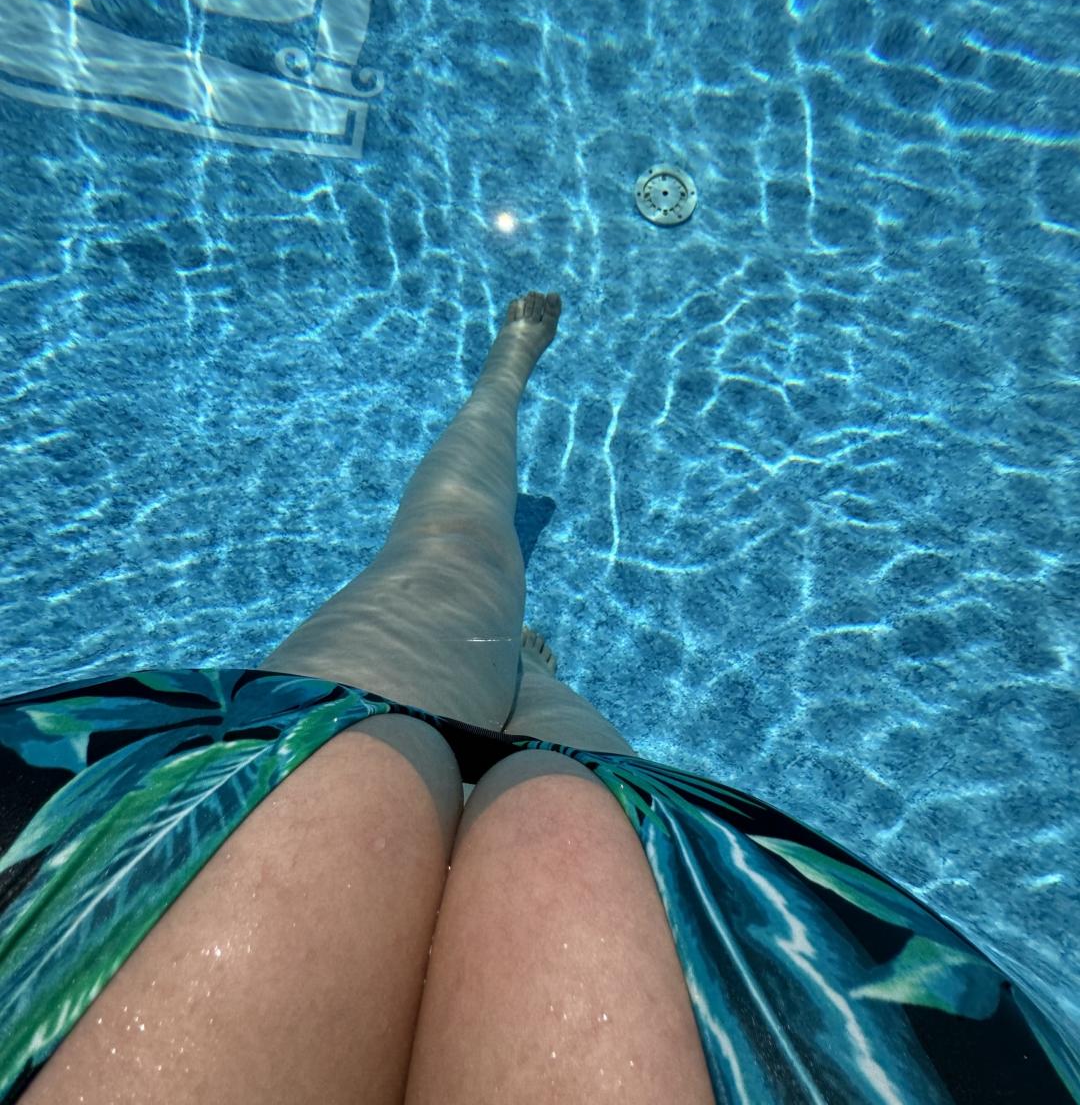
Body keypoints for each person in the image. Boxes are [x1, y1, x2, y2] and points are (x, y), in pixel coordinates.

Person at [0, 293, 1075, 1104]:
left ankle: (502, 389)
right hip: (707, 933)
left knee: (441, 579)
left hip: (251, 780)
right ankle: (534, 671)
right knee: (569, 797)